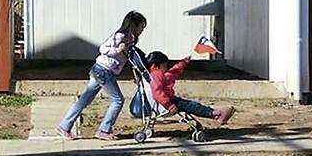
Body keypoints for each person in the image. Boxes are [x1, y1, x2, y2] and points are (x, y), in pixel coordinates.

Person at [57, 11, 147, 141]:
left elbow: (128, 59)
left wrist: (135, 74)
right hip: (103, 71)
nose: (142, 30)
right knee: (118, 100)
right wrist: (117, 50)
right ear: (133, 25)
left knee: (84, 100)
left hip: (102, 70)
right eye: (141, 27)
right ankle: (104, 130)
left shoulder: (130, 39)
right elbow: (103, 49)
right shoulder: (120, 36)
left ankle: (64, 126)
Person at [146, 51, 235, 124]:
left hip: (168, 100)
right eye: (164, 66)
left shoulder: (157, 74)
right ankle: (216, 113)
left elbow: (172, 73)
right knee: (192, 106)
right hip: (167, 103)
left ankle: (215, 113)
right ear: (155, 66)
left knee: (192, 105)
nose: (166, 68)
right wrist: (170, 106)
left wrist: (183, 63)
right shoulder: (156, 75)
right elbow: (157, 92)